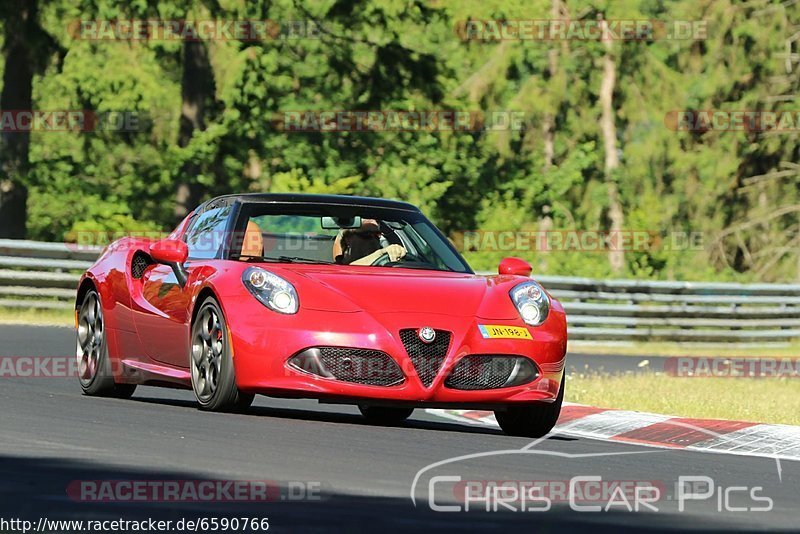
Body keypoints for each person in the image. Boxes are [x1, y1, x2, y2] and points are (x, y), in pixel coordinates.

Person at [333, 218, 406, 265]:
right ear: (348, 239)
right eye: (366, 235)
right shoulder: (335, 267)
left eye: (377, 235)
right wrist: (381, 253)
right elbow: (349, 270)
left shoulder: (386, 263)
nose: (373, 240)